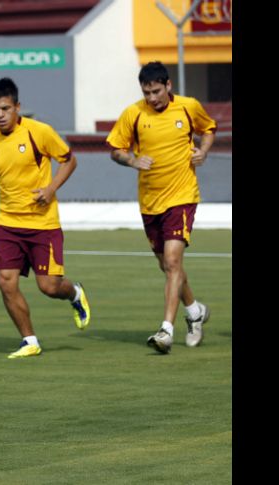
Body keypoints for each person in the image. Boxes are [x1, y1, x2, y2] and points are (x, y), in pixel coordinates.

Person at [0, 78, 91, 359]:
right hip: (8, 224)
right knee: (5, 281)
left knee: (49, 286)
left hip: (43, 224)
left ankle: (74, 293)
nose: (0, 115)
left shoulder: (39, 132)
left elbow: (69, 160)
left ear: (17, 107)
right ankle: (29, 340)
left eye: (5, 108)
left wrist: (51, 188)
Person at [106, 61, 216, 354]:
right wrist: (131, 160)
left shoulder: (188, 107)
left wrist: (202, 152)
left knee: (172, 261)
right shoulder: (133, 113)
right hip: (150, 200)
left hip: (182, 196)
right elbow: (116, 149)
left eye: (156, 91)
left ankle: (166, 330)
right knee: (167, 265)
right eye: (146, 92)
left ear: (168, 86)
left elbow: (208, 130)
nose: (152, 97)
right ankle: (194, 311)